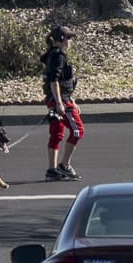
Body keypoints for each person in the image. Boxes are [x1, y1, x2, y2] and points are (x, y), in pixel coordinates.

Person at [40, 22, 84, 181]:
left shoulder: (53, 54)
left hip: (57, 99)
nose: (70, 41)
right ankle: (65, 165)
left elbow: (62, 81)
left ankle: (52, 170)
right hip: (60, 101)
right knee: (78, 130)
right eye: (68, 38)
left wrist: (70, 98)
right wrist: (60, 103)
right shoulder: (58, 56)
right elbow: (54, 80)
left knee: (56, 133)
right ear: (60, 39)